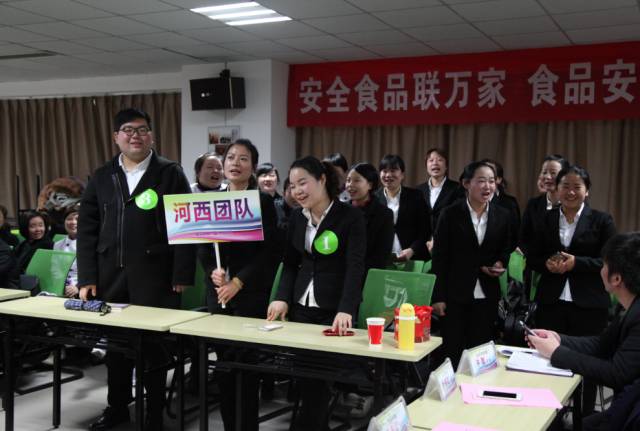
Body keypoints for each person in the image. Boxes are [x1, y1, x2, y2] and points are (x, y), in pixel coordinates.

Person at [77, 108, 194, 431]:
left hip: (157, 277)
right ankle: (117, 408)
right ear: (116, 137)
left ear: (151, 136)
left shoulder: (169, 172)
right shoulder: (103, 175)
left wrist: (182, 274)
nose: (135, 136)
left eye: (142, 130)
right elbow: (87, 230)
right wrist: (87, 277)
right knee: (116, 349)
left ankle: (154, 413)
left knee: (154, 350)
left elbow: (184, 225)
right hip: (110, 276)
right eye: (128, 130)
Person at [267, 156, 366, 431]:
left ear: (322, 180)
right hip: (301, 305)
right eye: (293, 185)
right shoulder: (297, 217)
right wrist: (281, 297)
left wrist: (346, 309)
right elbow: (290, 263)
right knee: (305, 377)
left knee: (319, 378)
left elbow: (355, 267)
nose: (297, 191)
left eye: (303, 183)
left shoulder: (350, 217)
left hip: (333, 310)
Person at [197, 139, 279, 431]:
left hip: (250, 294)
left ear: (252, 167)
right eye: (231, 157)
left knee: (246, 367)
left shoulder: (262, 202)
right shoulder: (212, 200)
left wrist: (238, 281)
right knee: (224, 366)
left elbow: (268, 253)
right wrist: (213, 272)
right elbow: (203, 246)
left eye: (243, 159)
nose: (235, 163)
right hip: (218, 294)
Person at [527, 165, 616, 415]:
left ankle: (583, 417)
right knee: (547, 360)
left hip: (589, 305)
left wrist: (576, 263)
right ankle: (548, 416)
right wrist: (545, 263)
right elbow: (532, 256)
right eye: (565, 186)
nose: (570, 192)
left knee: (588, 364)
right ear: (556, 189)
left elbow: (608, 261)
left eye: (577, 187)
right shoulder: (545, 219)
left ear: (587, 191)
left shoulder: (602, 220)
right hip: (551, 302)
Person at [527, 232, 640, 431]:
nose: (601, 270)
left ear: (616, 278)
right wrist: (558, 339)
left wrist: (556, 353)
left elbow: (616, 373)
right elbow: (601, 345)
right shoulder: (628, 307)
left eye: (604, 265)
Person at [431, 161, 512, 367]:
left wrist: (499, 262)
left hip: (487, 293)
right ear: (466, 183)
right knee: (452, 351)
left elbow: (505, 249)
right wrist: (438, 296)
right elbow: (439, 258)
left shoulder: (503, 215)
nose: (488, 186)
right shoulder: (450, 214)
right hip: (454, 294)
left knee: (481, 353)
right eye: (481, 181)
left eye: (491, 181)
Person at [375, 154, 430, 261]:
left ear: (402, 175)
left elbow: (425, 229)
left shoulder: (416, 196)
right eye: (384, 171)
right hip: (382, 259)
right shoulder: (374, 199)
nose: (388, 175)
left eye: (393, 170)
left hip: (413, 257)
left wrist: (412, 250)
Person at [346, 162, 394, 275]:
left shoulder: (384, 215)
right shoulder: (339, 211)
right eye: (348, 180)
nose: (350, 185)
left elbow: (381, 256)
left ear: (370, 185)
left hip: (367, 275)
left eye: (356, 180)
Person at [519, 154, 570, 256]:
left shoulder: (572, 205)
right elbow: (523, 238)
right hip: (536, 262)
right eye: (544, 172)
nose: (547, 177)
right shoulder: (533, 204)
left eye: (553, 173)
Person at [416, 148, 463, 252]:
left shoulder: (457, 189)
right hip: (422, 246)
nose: (435, 163)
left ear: (446, 166)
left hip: (448, 243)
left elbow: (458, 218)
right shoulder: (418, 190)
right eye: (431, 160)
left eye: (440, 160)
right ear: (426, 166)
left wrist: (438, 239)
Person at [480, 158, 520, 252]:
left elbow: (514, 237)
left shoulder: (509, 204)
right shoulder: (467, 201)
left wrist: (503, 258)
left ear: (498, 179)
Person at [53, 206, 80, 298]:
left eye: (77, 219)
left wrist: (77, 287)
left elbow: (94, 271)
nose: (73, 222)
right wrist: (63, 285)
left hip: (84, 289)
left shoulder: (91, 244)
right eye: (69, 219)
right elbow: (55, 269)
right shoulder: (57, 244)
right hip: (61, 288)